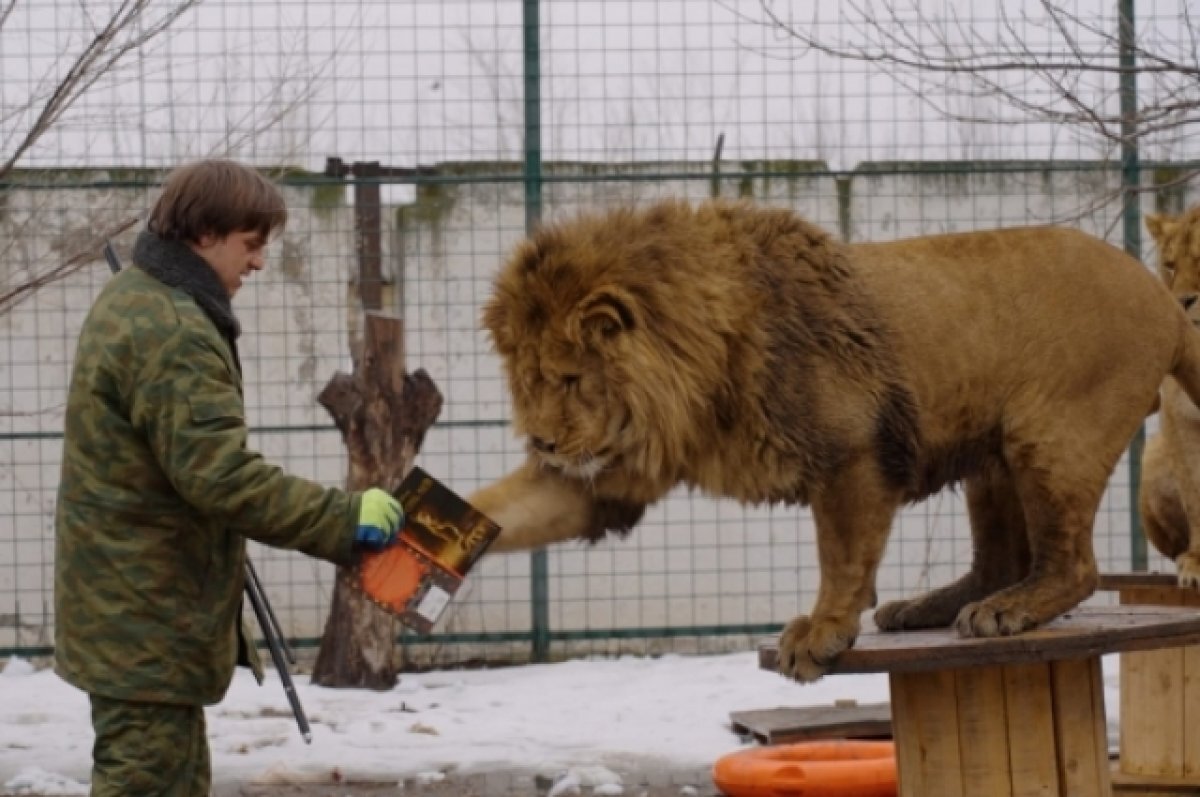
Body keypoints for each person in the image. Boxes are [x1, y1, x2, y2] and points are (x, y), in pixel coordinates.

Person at [53, 158, 404, 795]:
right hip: (144, 617)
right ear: (205, 233)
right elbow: (220, 477)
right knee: (150, 781)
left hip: (133, 607)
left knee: (168, 778)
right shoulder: (172, 330)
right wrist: (344, 518)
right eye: (252, 244)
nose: (260, 262)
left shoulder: (139, 296)